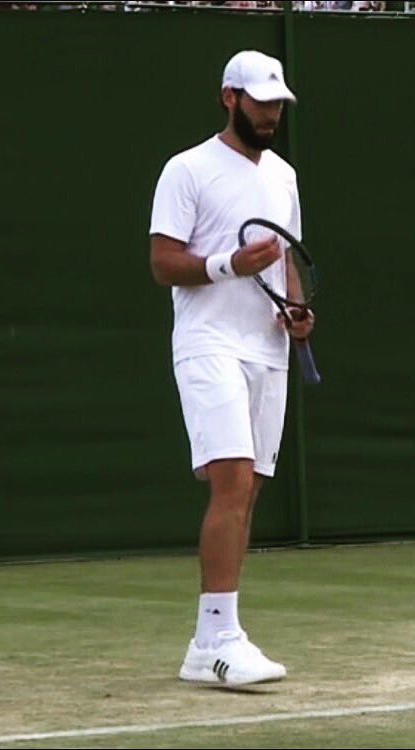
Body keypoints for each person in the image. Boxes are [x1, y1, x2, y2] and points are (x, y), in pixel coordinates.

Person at [148, 50, 314, 685]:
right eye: (260, 101)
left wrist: (294, 312)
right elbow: (164, 262)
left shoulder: (285, 176)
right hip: (208, 341)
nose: (270, 114)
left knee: (250, 491)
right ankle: (221, 634)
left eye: (277, 104)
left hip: (266, 350)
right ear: (229, 97)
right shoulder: (186, 169)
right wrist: (226, 266)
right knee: (233, 480)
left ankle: (206, 641)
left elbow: (285, 261)